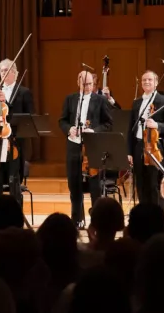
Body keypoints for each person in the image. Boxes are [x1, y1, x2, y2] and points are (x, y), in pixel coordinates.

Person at [57, 71, 113, 227]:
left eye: (90, 84)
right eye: (84, 84)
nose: (88, 87)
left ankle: (95, 221)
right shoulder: (70, 99)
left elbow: (108, 124)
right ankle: (77, 220)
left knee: (95, 186)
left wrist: (94, 131)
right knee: (74, 185)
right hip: (74, 145)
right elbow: (62, 121)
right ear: (78, 82)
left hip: (92, 146)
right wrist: (69, 129)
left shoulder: (100, 100)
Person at [0, 59, 35, 209]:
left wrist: (6, 103)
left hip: (15, 141)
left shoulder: (24, 92)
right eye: (2, 70)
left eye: (8, 70)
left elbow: (28, 117)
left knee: (13, 179)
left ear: (15, 74)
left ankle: (16, 216)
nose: (4, 73)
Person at [128, 70, 164, 205]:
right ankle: (144, 216)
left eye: (150, 80)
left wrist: (157, 125)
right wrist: (129, 151)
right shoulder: (137, 103)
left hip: (156, 148)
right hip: (138, 145)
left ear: (156, 82)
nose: (147, 82)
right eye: (144, 80)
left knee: (155, 185)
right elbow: (131, 128)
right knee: (141, 184)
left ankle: (157, 219)